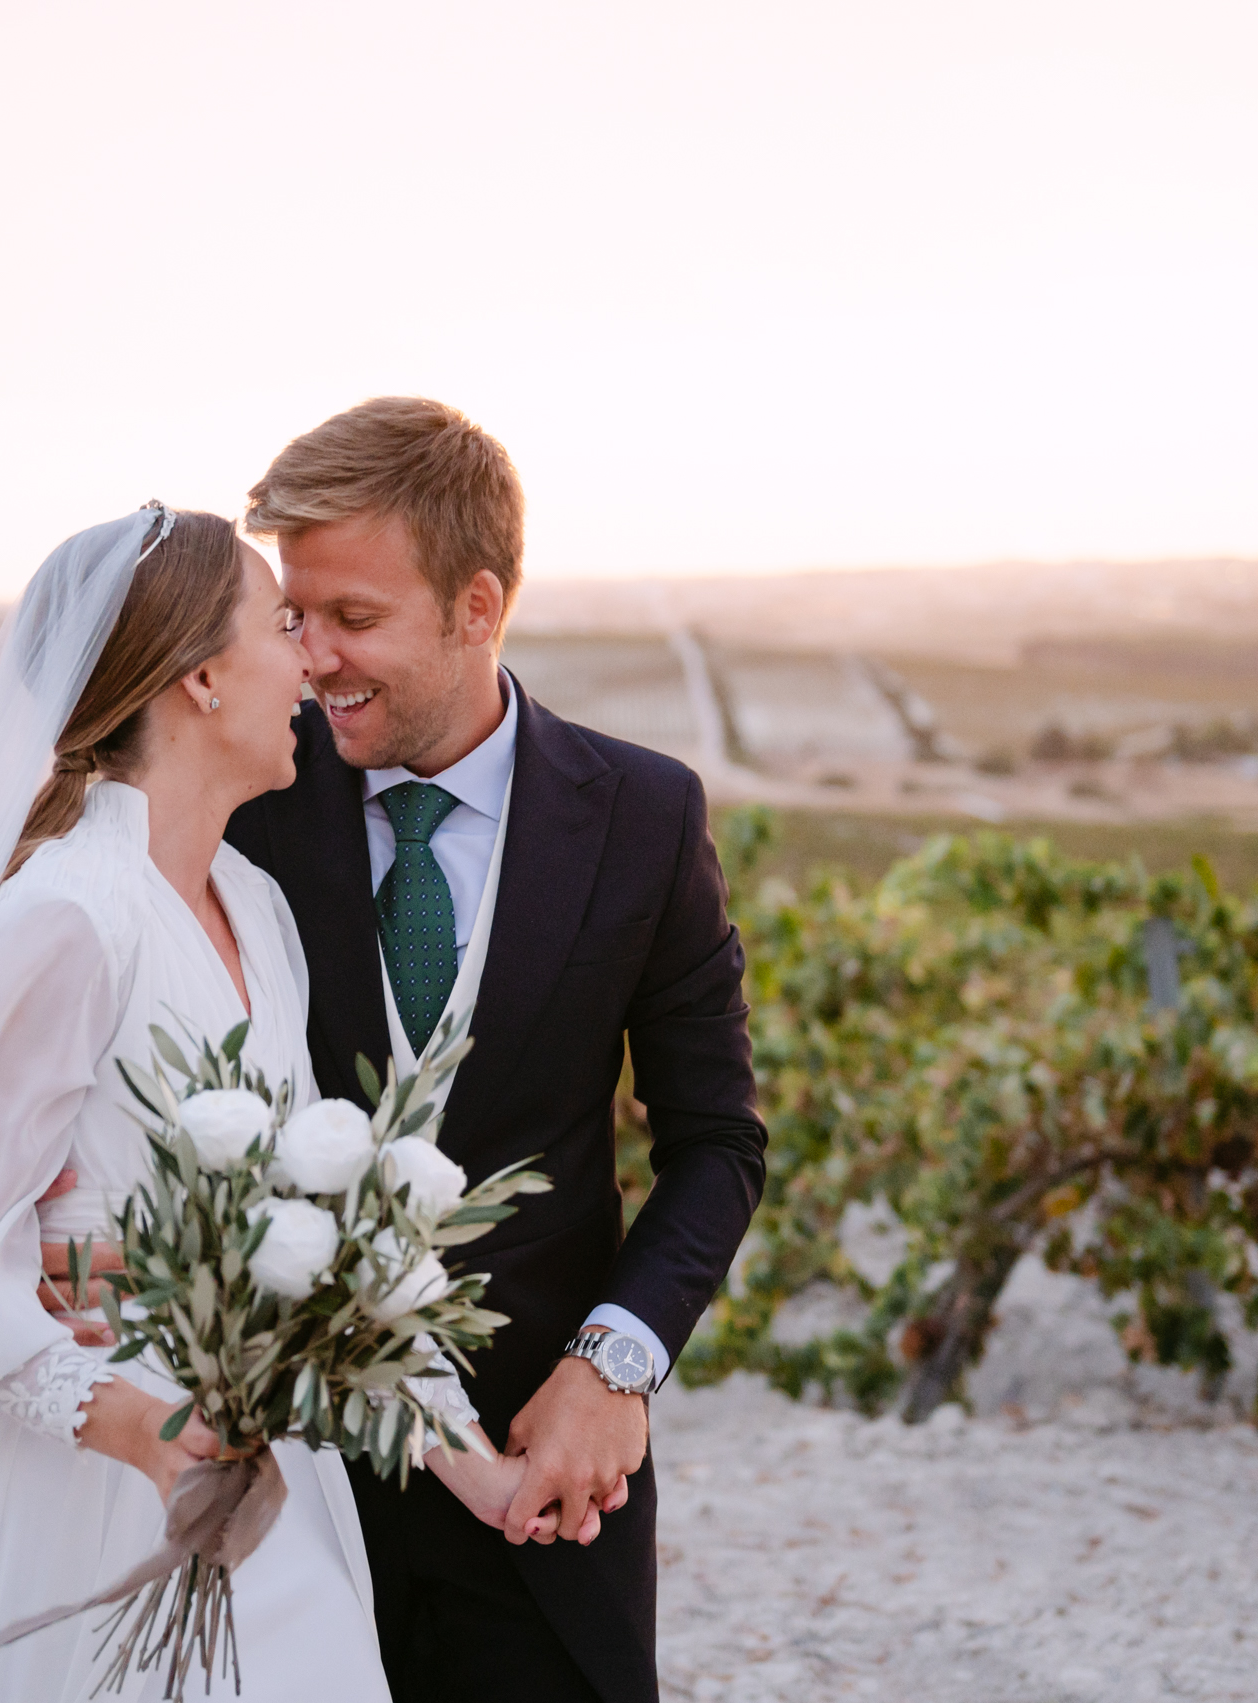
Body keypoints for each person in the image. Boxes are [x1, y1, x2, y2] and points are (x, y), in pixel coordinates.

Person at [0, 504, 531, 1702]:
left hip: (257, 1468)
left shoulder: (253, 905)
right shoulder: (63, 921)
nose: (311, 659)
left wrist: (486, 1476)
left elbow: (310, 1236)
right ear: (202, 678)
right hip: (92, 1490)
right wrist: (152, 1437)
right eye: (281, 625)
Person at [212, 399, 767, 1703]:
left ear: (477, 605)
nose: (312, 655)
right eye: (295, 615)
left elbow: (717, 1140)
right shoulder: (244, 788)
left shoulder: (641, 812)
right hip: (284, 1482)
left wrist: (614, 1361)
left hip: (540, 1475)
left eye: (353, 617)